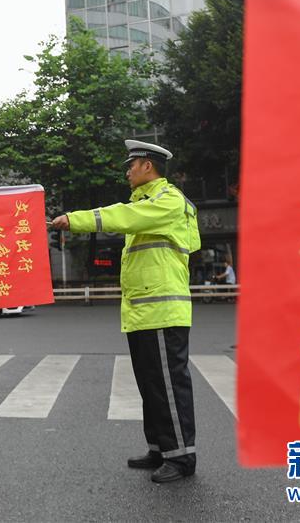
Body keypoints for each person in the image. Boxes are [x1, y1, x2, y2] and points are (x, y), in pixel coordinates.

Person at [51, 140, 201, 484]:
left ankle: (181, 457)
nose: (127, 172)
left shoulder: (168, 200)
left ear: (148, 166)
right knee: (151, 386)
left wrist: (75, 220)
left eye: (131, 165)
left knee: (169, 386)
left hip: (163, 312)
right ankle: (160, 448)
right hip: (143, 313)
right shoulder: (147, 203)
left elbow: (124, 216)